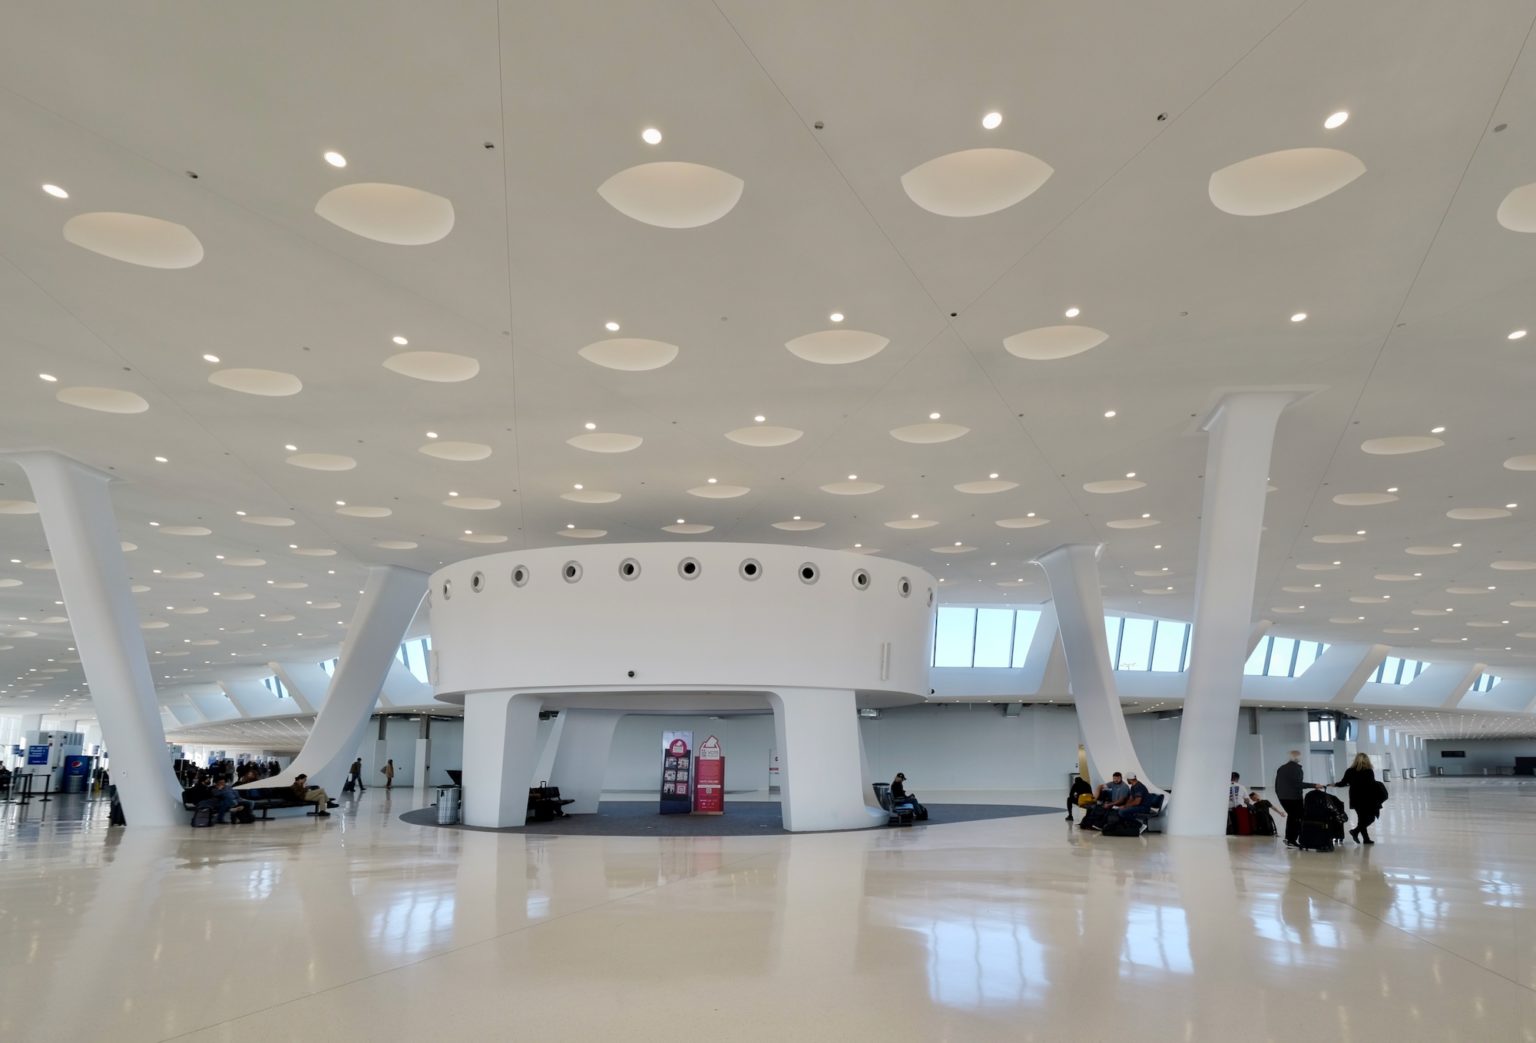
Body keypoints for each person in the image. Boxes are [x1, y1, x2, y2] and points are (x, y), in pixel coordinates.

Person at [1273, 750, 1323, 848]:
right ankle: (1292, 839)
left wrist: (1280, 795)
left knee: (1292, 816)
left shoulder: (1281, 768)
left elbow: (1277, 785)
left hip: (1283, 797)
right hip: (1294, 798)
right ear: (1298, 758)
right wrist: (1314, 785)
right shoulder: (1297, 769)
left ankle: (1289, 838)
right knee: (1297, 818)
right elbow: (1298, 784)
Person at [1333, 753, 1384, 844]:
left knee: (1362, 819)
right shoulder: (1368, 771)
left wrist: (1334, 784)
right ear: (1366, 760)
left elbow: (1343, 783)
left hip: (1355, 798)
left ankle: (1366, 839)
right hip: (1367, 799)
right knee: (1370, 819)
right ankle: (1355, 831)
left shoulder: (1349, 771)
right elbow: (1371, 785)